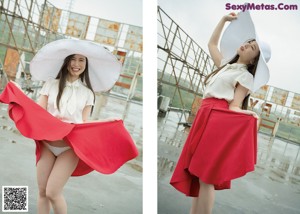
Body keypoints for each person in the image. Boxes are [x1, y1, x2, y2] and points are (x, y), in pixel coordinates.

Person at [0, 39, 138, 214]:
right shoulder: (51, 84)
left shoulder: (88, 93)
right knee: (42, 192)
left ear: (86, 65)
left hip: (69, 148)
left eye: (81, 60)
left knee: (53, 192)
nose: (76, 64)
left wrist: (108, 121)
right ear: (66, 62)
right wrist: (18, 92)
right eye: (73, 59)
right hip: (47, 145)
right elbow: (37, 112)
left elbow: (84, 123)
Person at [170, 11, 271, 214]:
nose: (246, 45)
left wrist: (249, 114)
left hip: (217, 119)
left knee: (207, 175)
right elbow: (212, 45)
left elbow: (234, 106)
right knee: (197, 172)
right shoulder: (225, 65)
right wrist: (223, 20)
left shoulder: (245, 77)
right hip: (204, 114)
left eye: (252, 47)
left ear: (254, 61)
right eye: (248, 42)